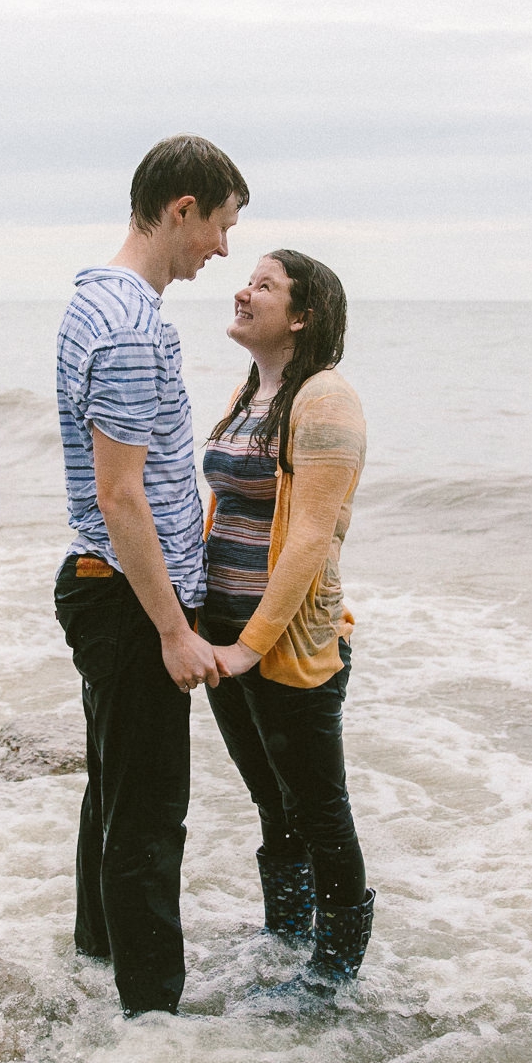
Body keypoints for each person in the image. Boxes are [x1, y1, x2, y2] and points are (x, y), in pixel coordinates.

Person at [53, 134, 248, 1016]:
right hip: (132, 600)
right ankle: (152, 1023)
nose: (224, 247)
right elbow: (120, 492)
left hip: (109, 588)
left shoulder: (94, 303)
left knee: (114, 789)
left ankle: (97, 962)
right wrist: (174, 626)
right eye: (220, 224)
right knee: (149, 815)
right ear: (181, 211)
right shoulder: (132, 327)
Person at [201, 249, 373, 997]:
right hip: (225, 634)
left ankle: (333, 975)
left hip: (287, 645)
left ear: (301, 316)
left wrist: (249, 647)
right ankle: (284, 939)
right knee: (273, 801)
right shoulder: (251, 391)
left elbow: (308, 538)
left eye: (264, 286)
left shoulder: (325, 397)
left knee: (318, 806)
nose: (243, 291)